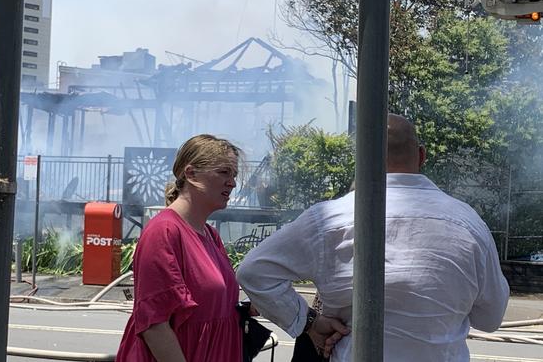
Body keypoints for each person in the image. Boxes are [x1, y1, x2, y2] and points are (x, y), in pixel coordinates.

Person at [237, 114, 510, 361]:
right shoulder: (469, 223)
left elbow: (254, 272)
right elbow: (490, 318)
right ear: (422, 155)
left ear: (362, 157)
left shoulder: (329, 218)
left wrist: (309, 322)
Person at [116, 134, 244, 362]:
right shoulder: (164, 231)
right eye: (224, 172)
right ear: (191, 173)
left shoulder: (211, 235)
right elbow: (154, 325)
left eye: (234, 175)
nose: (232, 182)